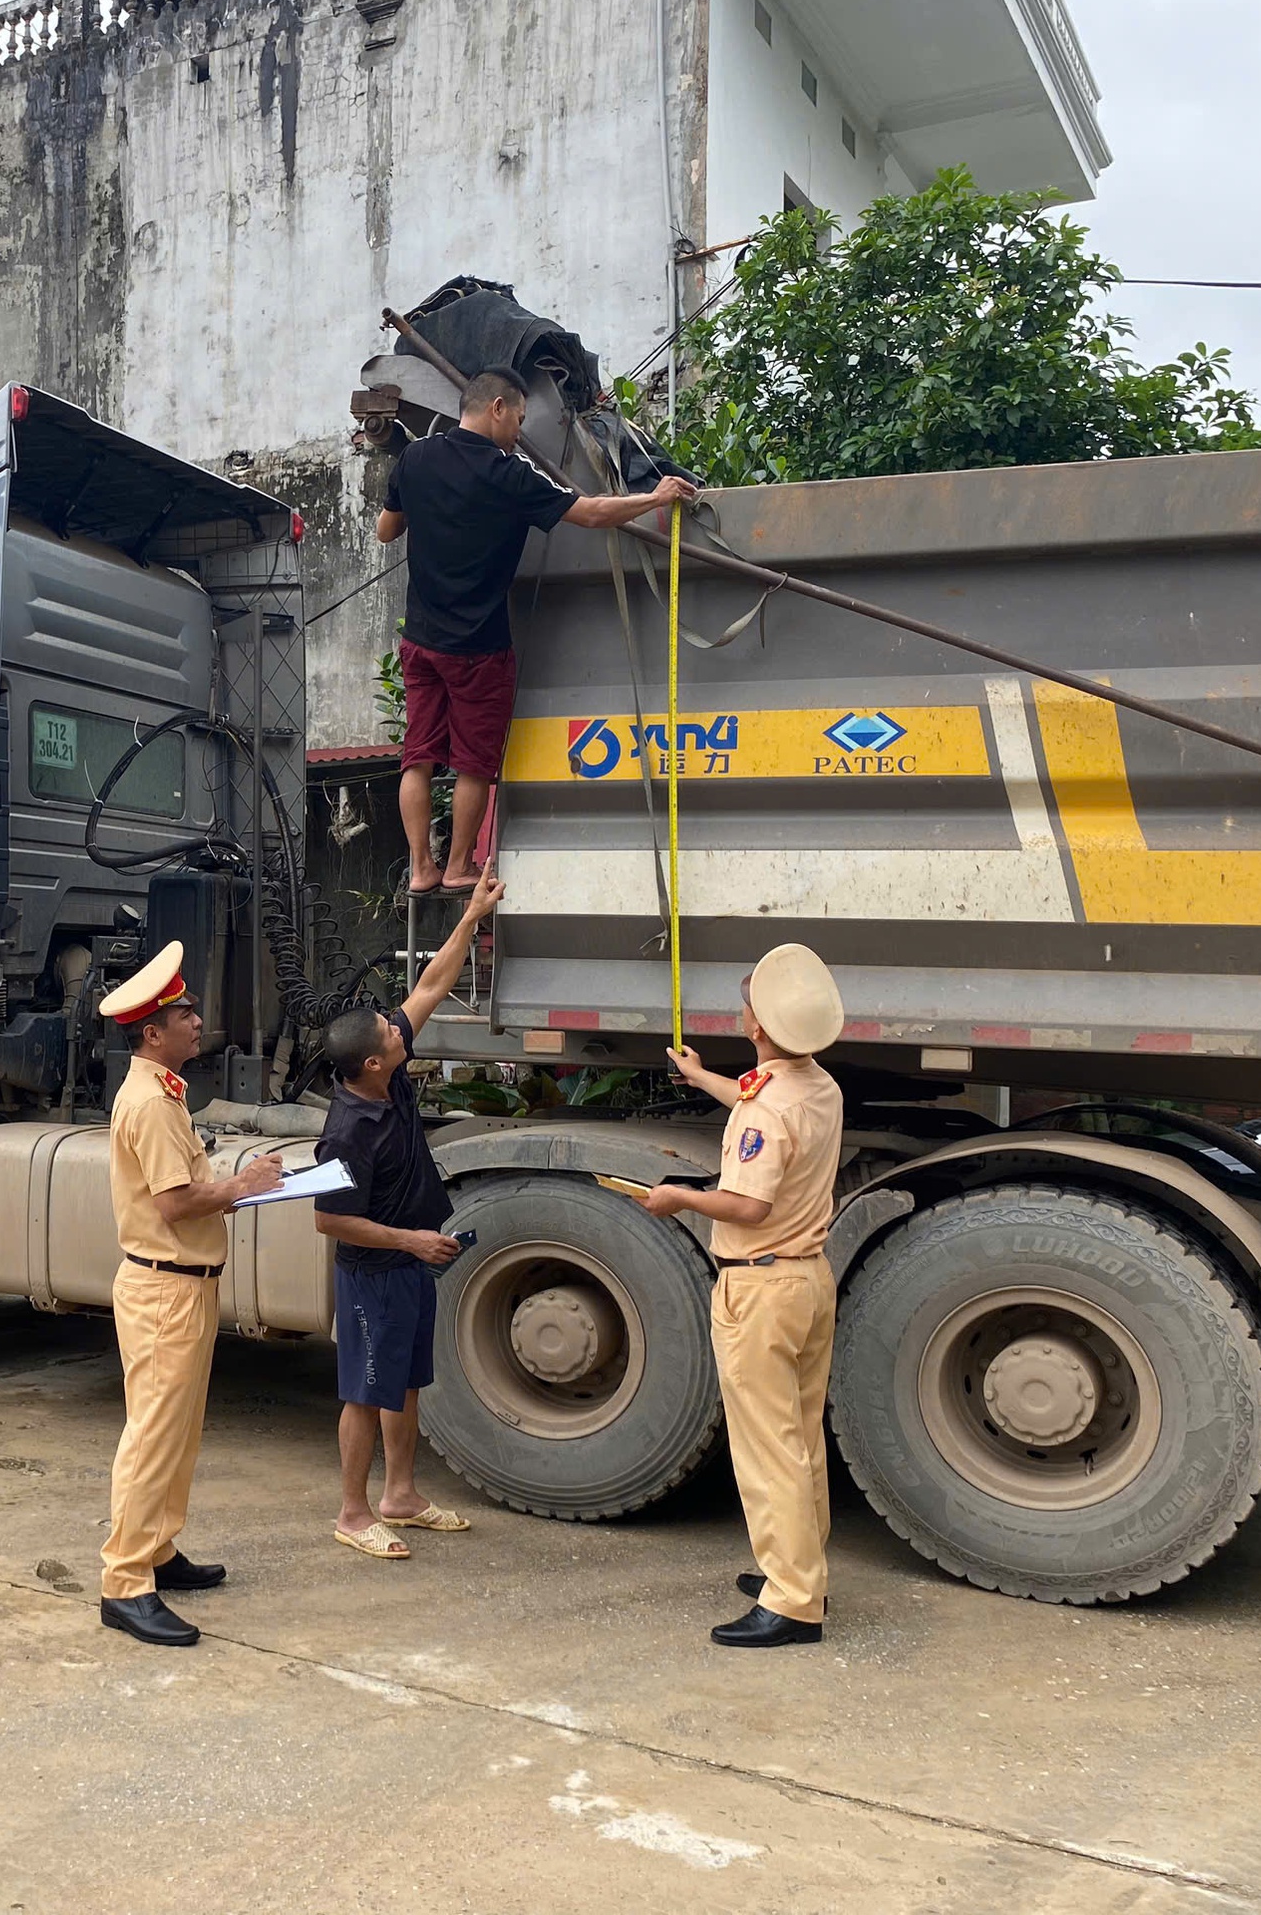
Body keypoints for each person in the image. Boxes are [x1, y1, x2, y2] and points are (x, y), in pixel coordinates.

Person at [376, 368, 696, 897]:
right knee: (473, 764)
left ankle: (420, 869)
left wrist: (426, 508)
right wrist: (655, 497)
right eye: (519, 419)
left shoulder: (416, 457)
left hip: (421, 644)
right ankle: (457, 867)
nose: (519, 432)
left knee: (419, 755)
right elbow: (590, 513)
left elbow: (386, 529)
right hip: (478, 650)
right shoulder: (509, 475)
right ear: (497, 408)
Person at [634, 944, 847, 1649]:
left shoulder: (767, 1113)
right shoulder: (817, 1086)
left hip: (760, 1285)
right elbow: (759, 1097)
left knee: (767, 1447)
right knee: (801, 1437)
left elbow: (748, 1206)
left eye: (748, 1003)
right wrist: (701, 1077)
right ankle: (802, 1574)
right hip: (807, 1278)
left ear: (757, 1026)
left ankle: (792, 1603)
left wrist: (679, 1198)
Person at [311, 865, 506, 1559]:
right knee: (365, 1394)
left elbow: (428, 987)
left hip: (409, 1261)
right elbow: (329, 1221)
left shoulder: (384, 1075)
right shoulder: (346, 1134)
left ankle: (401, 1496)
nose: (400, 1031)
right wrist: (410, 1242)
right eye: (388, 1035)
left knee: (406, 1383)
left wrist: (471, 915)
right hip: (373, 1272)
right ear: (371, 1064)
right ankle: (353, 1512)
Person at [98, 940, 285, 1649]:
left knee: (178, 1431)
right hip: (164, 1289)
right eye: (186, 1014)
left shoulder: (163, 1093)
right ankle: (125, 1582)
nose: (198, 1021)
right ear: (153, 1033)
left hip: (179, 1287)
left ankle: (158, 1549)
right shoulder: (151, 1103)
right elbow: (174, 1204)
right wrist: (242, 1186)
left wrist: (236, 1188)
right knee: (153, 1436)